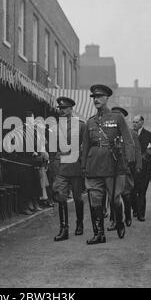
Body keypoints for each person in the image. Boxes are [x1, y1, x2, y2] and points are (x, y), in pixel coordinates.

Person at [81, 85, 135, 244]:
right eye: (94, 97)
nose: (96, 100)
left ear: (106, 98)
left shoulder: (117, 118)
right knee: (95, 199)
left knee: (115, 199)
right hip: (94, 166)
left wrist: (129, 163)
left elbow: (129, 142)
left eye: (99, 97)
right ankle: (99, 234)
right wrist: (83, 166)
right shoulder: (90, 122)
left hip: (113, 166)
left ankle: (119, 220)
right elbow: (85, 147)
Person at [52, 97, 85, 241]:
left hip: (76, 167)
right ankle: (64, 229)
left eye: (65, 108)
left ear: (71, 109)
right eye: (60, 108)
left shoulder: (81, 125)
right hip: (61, 168)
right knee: (61, 197)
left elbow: (85, 147)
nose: (62, 111)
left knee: (78, 198)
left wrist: (84, 164)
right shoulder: (55, 127)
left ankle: (79, 223)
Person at [108, 107, 141, 229]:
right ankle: (114, 220)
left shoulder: (131, 133)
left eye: (119, 115)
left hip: (125, 167)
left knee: (126, 194)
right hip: (111, 167)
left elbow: (136, 150)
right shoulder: (108, 132)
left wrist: (136, 165)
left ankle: (127, 214)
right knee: (112, 195)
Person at [131, 115, 151, 221]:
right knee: (132, 191)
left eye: (136, 122)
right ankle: (135, 209)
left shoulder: (148, 135)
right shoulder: (130, 133)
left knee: (142, 191)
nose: (134, 124)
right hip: (132, 167)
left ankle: (141, 214)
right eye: (133, 122)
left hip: (144, 168)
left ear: (142, 122)